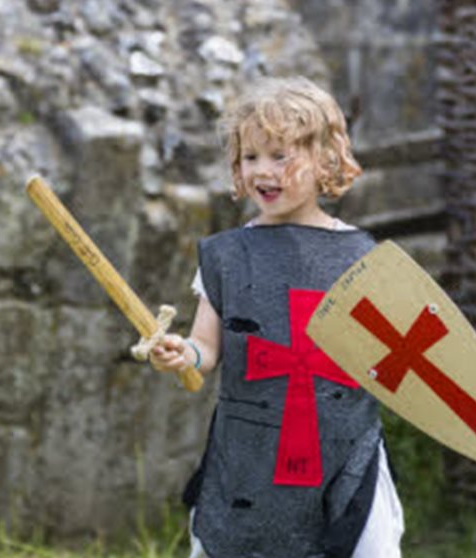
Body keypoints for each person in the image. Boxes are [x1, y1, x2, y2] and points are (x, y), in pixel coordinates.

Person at [150, 76, 404, 558]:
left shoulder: (359, 258)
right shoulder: (228, 256)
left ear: (325, 159)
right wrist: (181, 352)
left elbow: (387, 358)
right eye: (251, 157)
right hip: (249, 454)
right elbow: (206, 349)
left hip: (342, 451)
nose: (263, 171)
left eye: (280, 156)